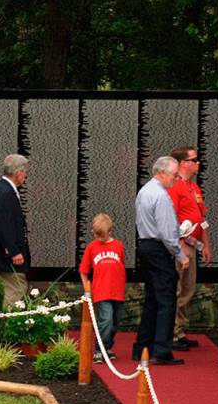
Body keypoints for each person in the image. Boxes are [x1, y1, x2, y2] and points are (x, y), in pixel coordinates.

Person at [134, 156, 189, 364]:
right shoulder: (162, 196)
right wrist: (180, 254)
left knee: (152, 298)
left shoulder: (144, 191)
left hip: (145, 245)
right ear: (162, 173)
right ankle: (161, 350)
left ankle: (142, 346)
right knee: (166, 300)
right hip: (158, 249)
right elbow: (167, 233)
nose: (176, 179)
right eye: (174, 175)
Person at [168, 146, 211, 352]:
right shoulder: (174, 186)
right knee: (177, 289)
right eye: (194, 160)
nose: (197, 163)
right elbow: (172, 218)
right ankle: (172, 333)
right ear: (183, 163)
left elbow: (201, 219)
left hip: (194, 246)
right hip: (181, 247)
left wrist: (206, 244)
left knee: (188, 289)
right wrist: (181, 244)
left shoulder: (194, 188)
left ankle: (180, 330)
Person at [0, 154, 30, 307]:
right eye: (25, 172)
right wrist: (13, 250)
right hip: (7, 255)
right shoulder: (6, 192)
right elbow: (5, 224)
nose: (26, 176)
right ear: (18, 173)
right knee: (17, 289)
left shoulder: (1, 188)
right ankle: (9, 325)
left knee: (6, 289)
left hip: (1, 253)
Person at [79, 213, 126, 362]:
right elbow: (83, 271)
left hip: (117, 291)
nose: (99, 239)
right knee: (106, 320)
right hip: (101, 290)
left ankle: (108, 346)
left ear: (110, 232)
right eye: (96, 235)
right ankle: (100, 350)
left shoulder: (118, 245)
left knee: (115, 322)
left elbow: (122, 265)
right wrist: (87, 289)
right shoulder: (91, 248)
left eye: (102, 236)